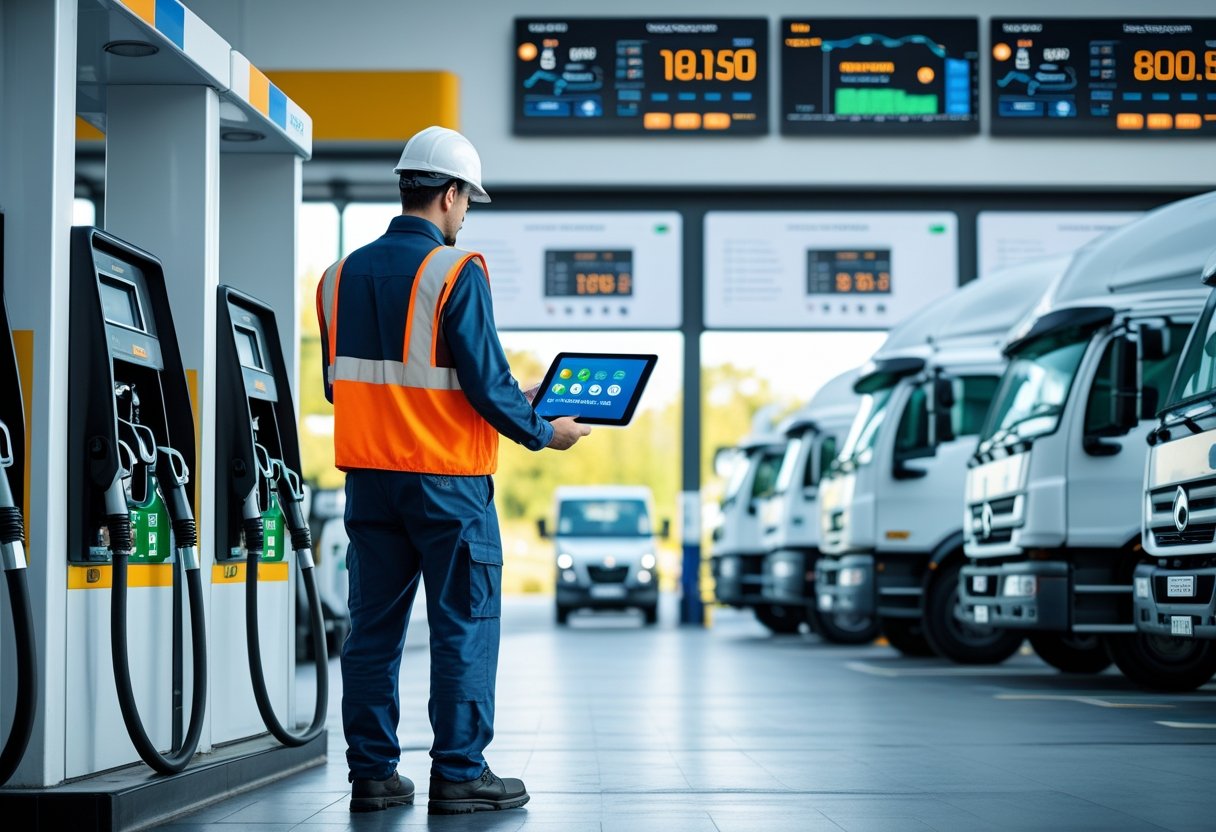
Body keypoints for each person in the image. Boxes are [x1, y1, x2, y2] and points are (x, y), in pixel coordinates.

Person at [315, 125, 590, 815]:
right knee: (463, 623)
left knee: (372, 630)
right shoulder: (456, 270)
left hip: (370, 480)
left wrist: (497, 392)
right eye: (467, 202)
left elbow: (339, 386)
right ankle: (460, 773)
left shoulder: (336, 278)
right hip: (447, 482)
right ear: (449, 194)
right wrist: (542, 430)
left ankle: (373, 776)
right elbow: (483, 386)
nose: (465, 215)